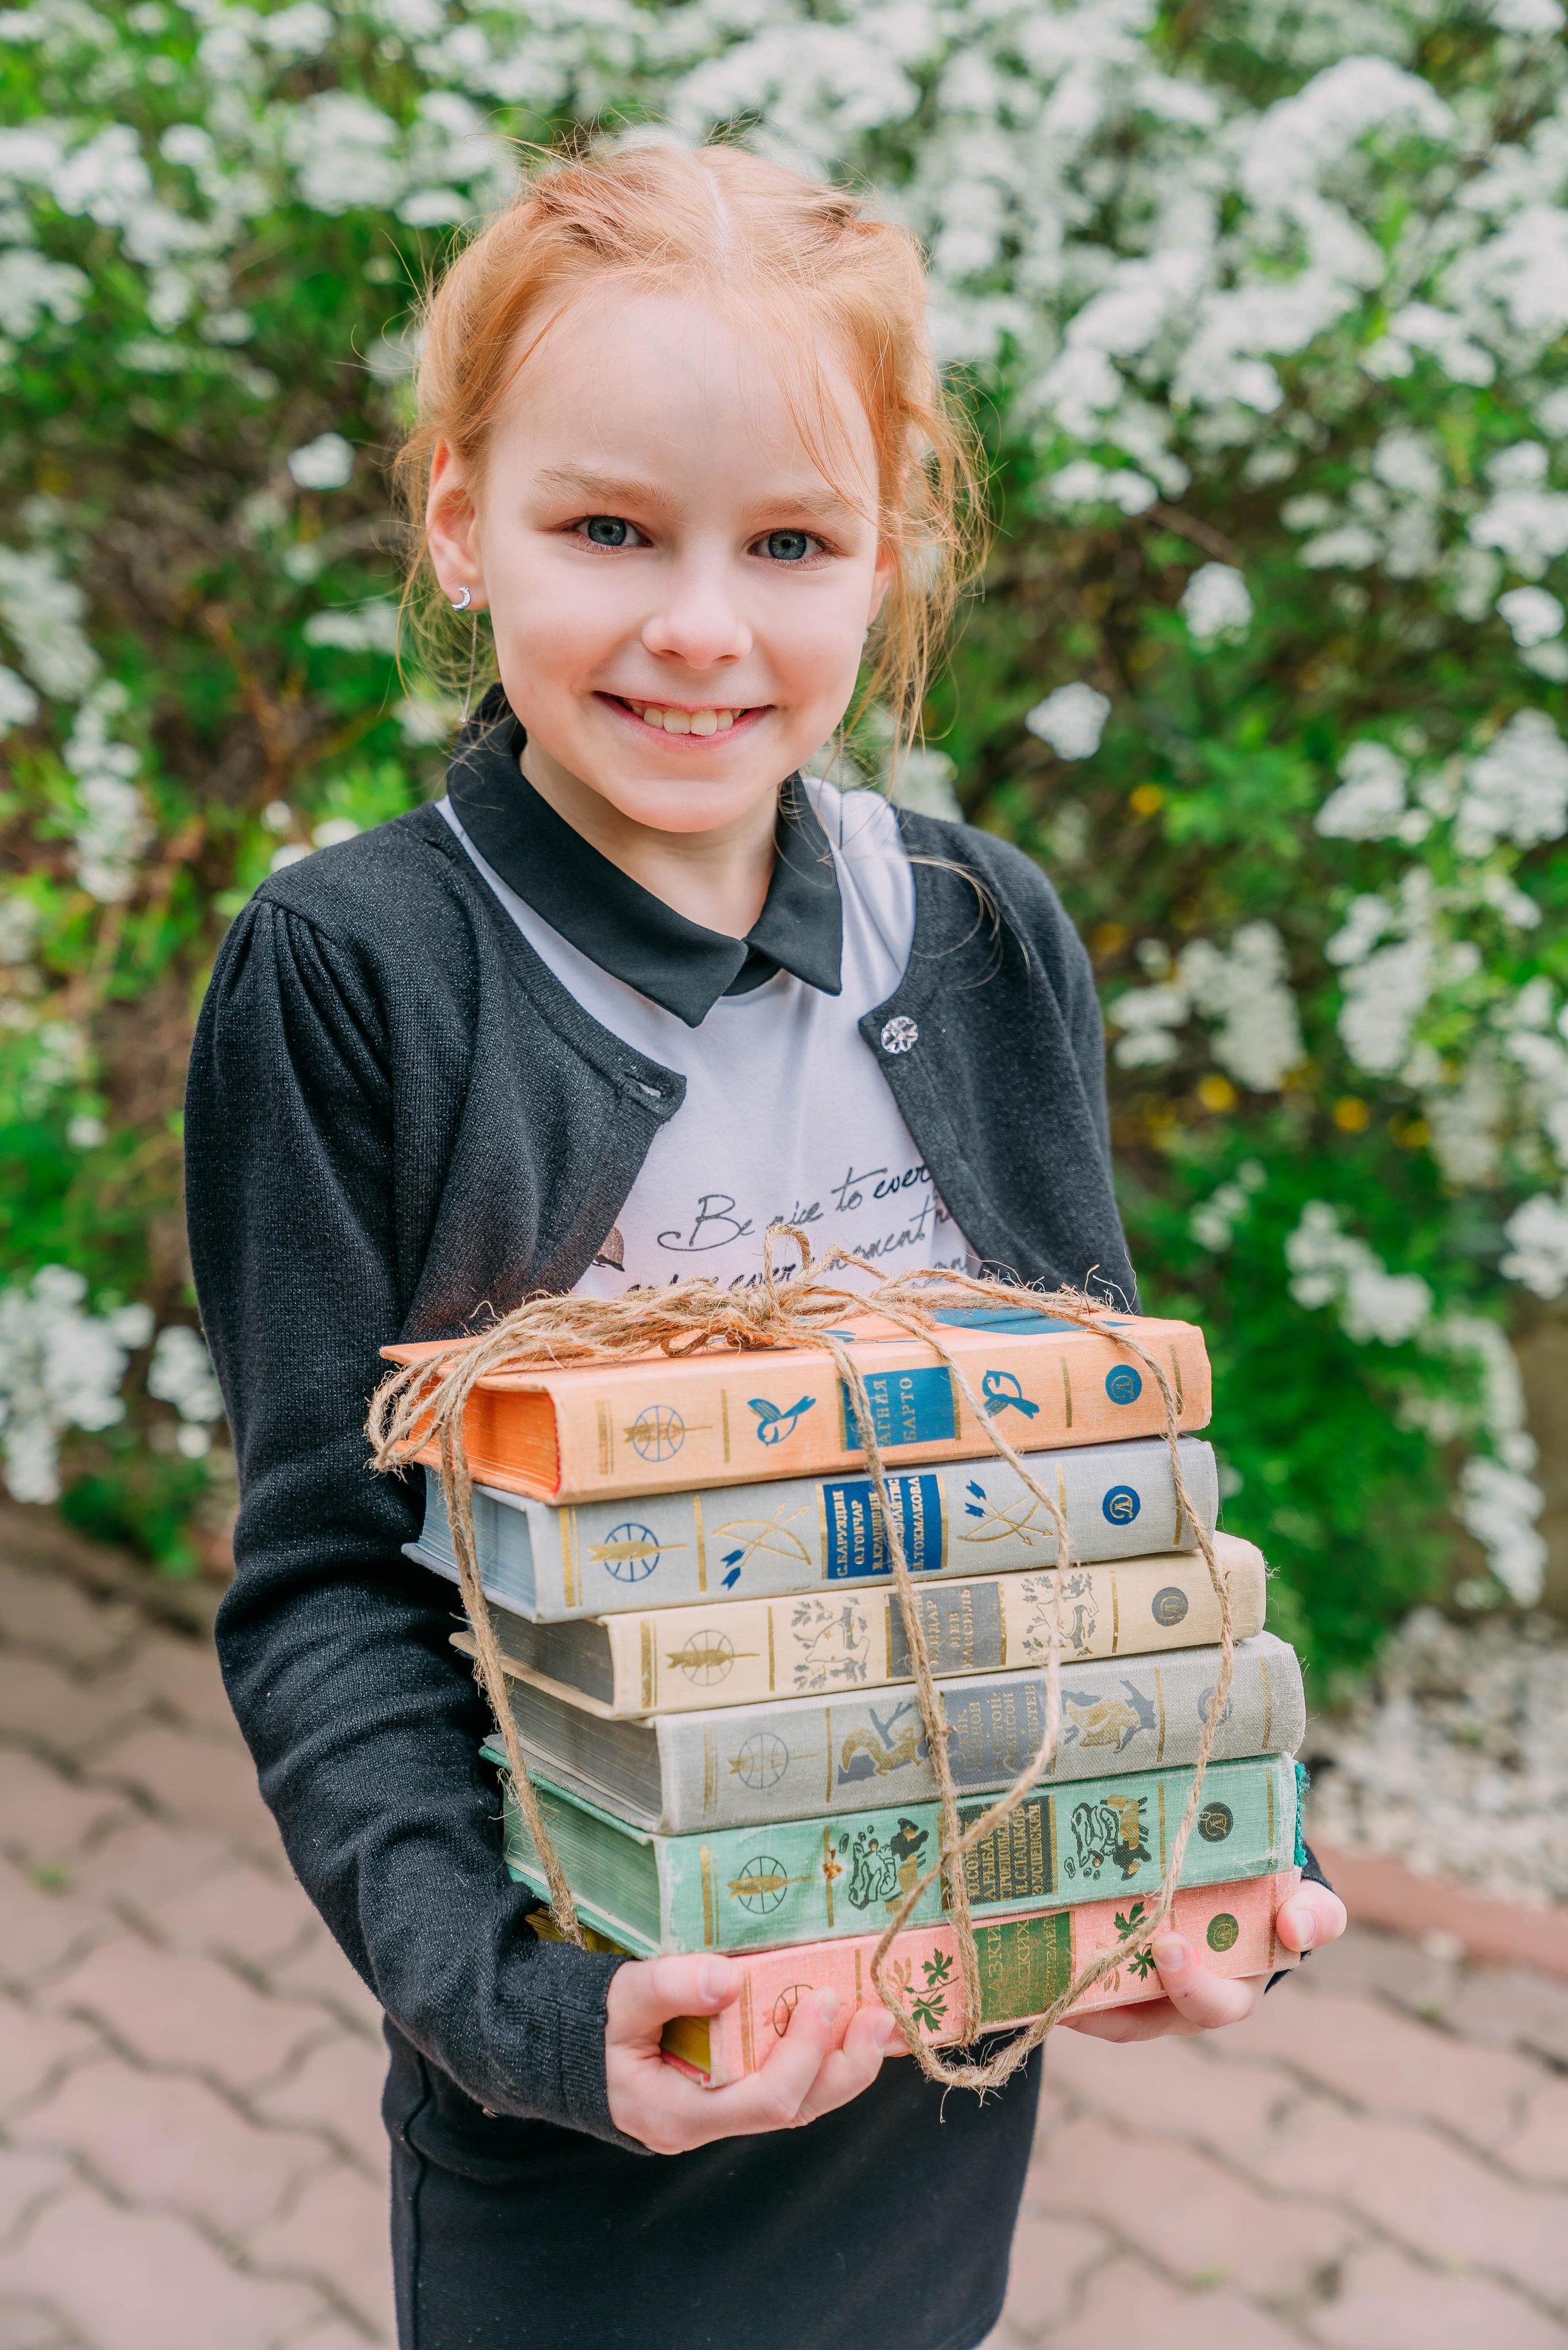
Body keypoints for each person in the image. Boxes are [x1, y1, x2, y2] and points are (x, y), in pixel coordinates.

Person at [184, 138, 1346, 2350]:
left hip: (934, 2065)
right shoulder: (355, 971)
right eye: (609, 528)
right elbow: (329, 1582)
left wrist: (1193, 1852)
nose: (701, 626)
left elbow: (1090, 1512)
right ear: (459, 520)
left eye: (791, 544)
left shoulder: (985, 933)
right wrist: (523, 2020)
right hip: (594, 2110)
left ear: (888, 558)